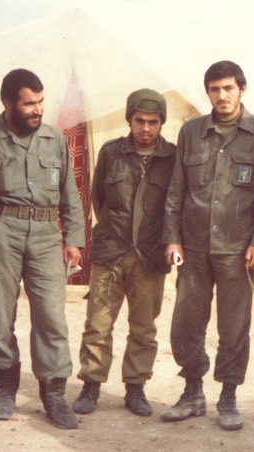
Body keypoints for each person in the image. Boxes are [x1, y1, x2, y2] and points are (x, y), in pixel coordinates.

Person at [160, 60, 254, 431]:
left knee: (234, 328)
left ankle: (228, 396)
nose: (221, 95)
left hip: (237, 250)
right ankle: (192, 392)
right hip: (194, 248)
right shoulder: (191, 132)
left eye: (228, 88)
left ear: (242, 89)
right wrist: (173, 237)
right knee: (186, 323)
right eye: (214, 89)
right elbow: (176, 190)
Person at [0, 68, 85, 430]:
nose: (38, 109)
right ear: (8, 103)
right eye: (29, 104)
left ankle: (54, 393)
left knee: (52, 315)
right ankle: (5, 387)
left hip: (45, 234)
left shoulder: (54, 139)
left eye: (40, 102)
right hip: (3, 231)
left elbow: (70, 194)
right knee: (0, 312)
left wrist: (73, 239)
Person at [72, 89, 176, 417]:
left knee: (143, 327)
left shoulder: (173, 158)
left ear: (161, 123)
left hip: (149, 256)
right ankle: (91, 385)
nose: (145, 128)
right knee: (98, 324)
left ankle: (135, 387)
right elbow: (99, 200)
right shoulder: (110, 152)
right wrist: (117, 233)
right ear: (129, 119)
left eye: (153, 122)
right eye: (139, 121)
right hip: (111, 252)